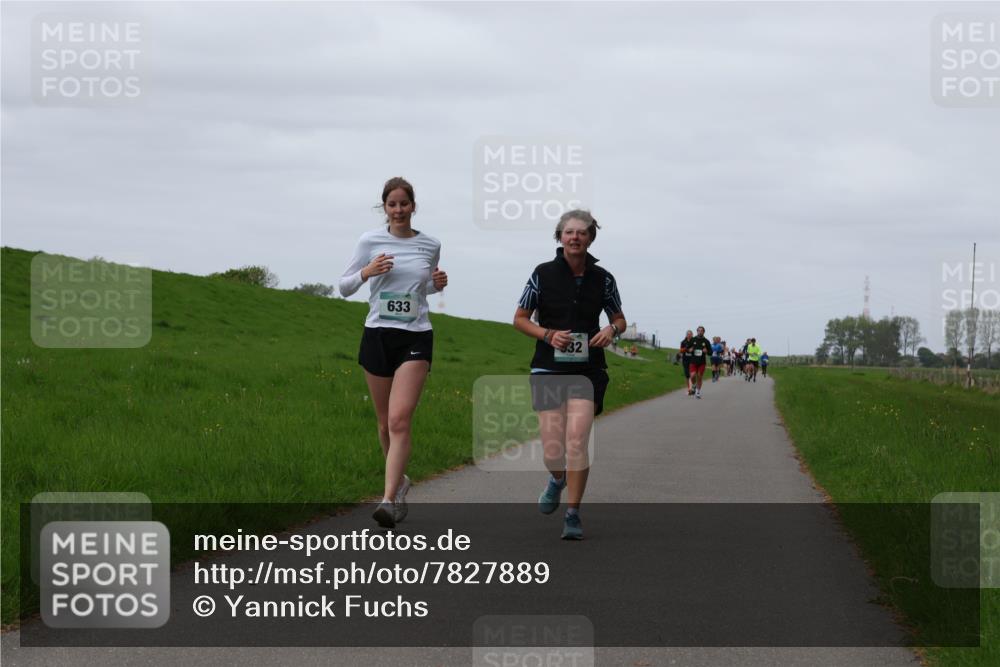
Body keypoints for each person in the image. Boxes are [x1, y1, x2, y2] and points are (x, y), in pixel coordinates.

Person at [339, 177, 448, 528]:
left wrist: (436, 284)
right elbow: (343, 286)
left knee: (400, 419)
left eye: (404, 204)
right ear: (384, 208)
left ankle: (387, 500)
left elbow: (421, 289)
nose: (399, 210)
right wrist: (366, 272)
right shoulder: (369, 241)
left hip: (415, 335)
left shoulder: (430, 245)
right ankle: (399, 484)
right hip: (377, 334)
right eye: (392, 204)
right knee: (384, 423)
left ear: (413, 206)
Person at [514, 209, 626, 540]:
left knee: (577, 440)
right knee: (553, 450)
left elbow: (619, 318)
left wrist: (612, 330)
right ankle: (557, 478)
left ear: (591, 237)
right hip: (548, 367)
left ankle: (573, 513)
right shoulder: (542, 273)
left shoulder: (604, 278)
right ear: (560, 238)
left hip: (588, 370)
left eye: (582, 232)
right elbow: (520, 318)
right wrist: (547, 334)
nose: (575, 237)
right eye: (569, 232)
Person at [687, 326, 712, 398]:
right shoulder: (693, 339)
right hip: (693, 361)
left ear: (704, 332)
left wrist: (707, 351)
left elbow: (710, 352)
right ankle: (694, 385)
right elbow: (687, 349)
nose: (700, 332)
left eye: (701, 331)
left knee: (700, 377)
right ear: (697, 331)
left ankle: (697, 392)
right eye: (699, 330)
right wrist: (689, 350)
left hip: (702, 362)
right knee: (692, 375)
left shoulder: (706, 341)